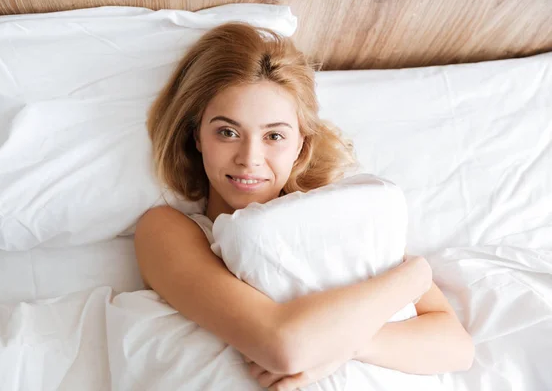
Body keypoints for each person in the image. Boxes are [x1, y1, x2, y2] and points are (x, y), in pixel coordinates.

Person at [135, 22, 474, 391]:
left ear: (301, 145)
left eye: (274, 136)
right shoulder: (164, 230)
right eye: (227, 132)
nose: (250, 159)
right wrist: (414, 276)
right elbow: (284, 346)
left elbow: (457, 347)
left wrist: (345, 344)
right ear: (196, 135)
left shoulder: (339, 215)